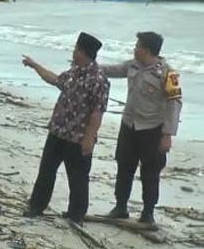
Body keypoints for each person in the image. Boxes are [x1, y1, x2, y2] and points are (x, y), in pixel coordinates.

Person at [21, 32, 110, 226]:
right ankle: (36, 206)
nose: (73, 52)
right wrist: (35, 65)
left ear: (83, 52)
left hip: (78, 137)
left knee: (78, 178)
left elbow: (97, 112)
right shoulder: (74, 71)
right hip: (58, 131)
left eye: (76, 49)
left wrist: (89, 138)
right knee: (46, 171)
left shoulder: (98, 79)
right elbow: (55, 79)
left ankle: (76, 216)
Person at [101, 32, 182, 224]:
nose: (134, 49)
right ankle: (120, 206)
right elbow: (112, 69)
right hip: (129, 125)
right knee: (124, 166)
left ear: (146, 50)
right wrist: (90, 66)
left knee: (150, 172)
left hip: (152, 129)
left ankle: (148, 212)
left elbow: (175, 103)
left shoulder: (168, 73)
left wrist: (167, 134)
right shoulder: (133, 65)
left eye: (137, 46)